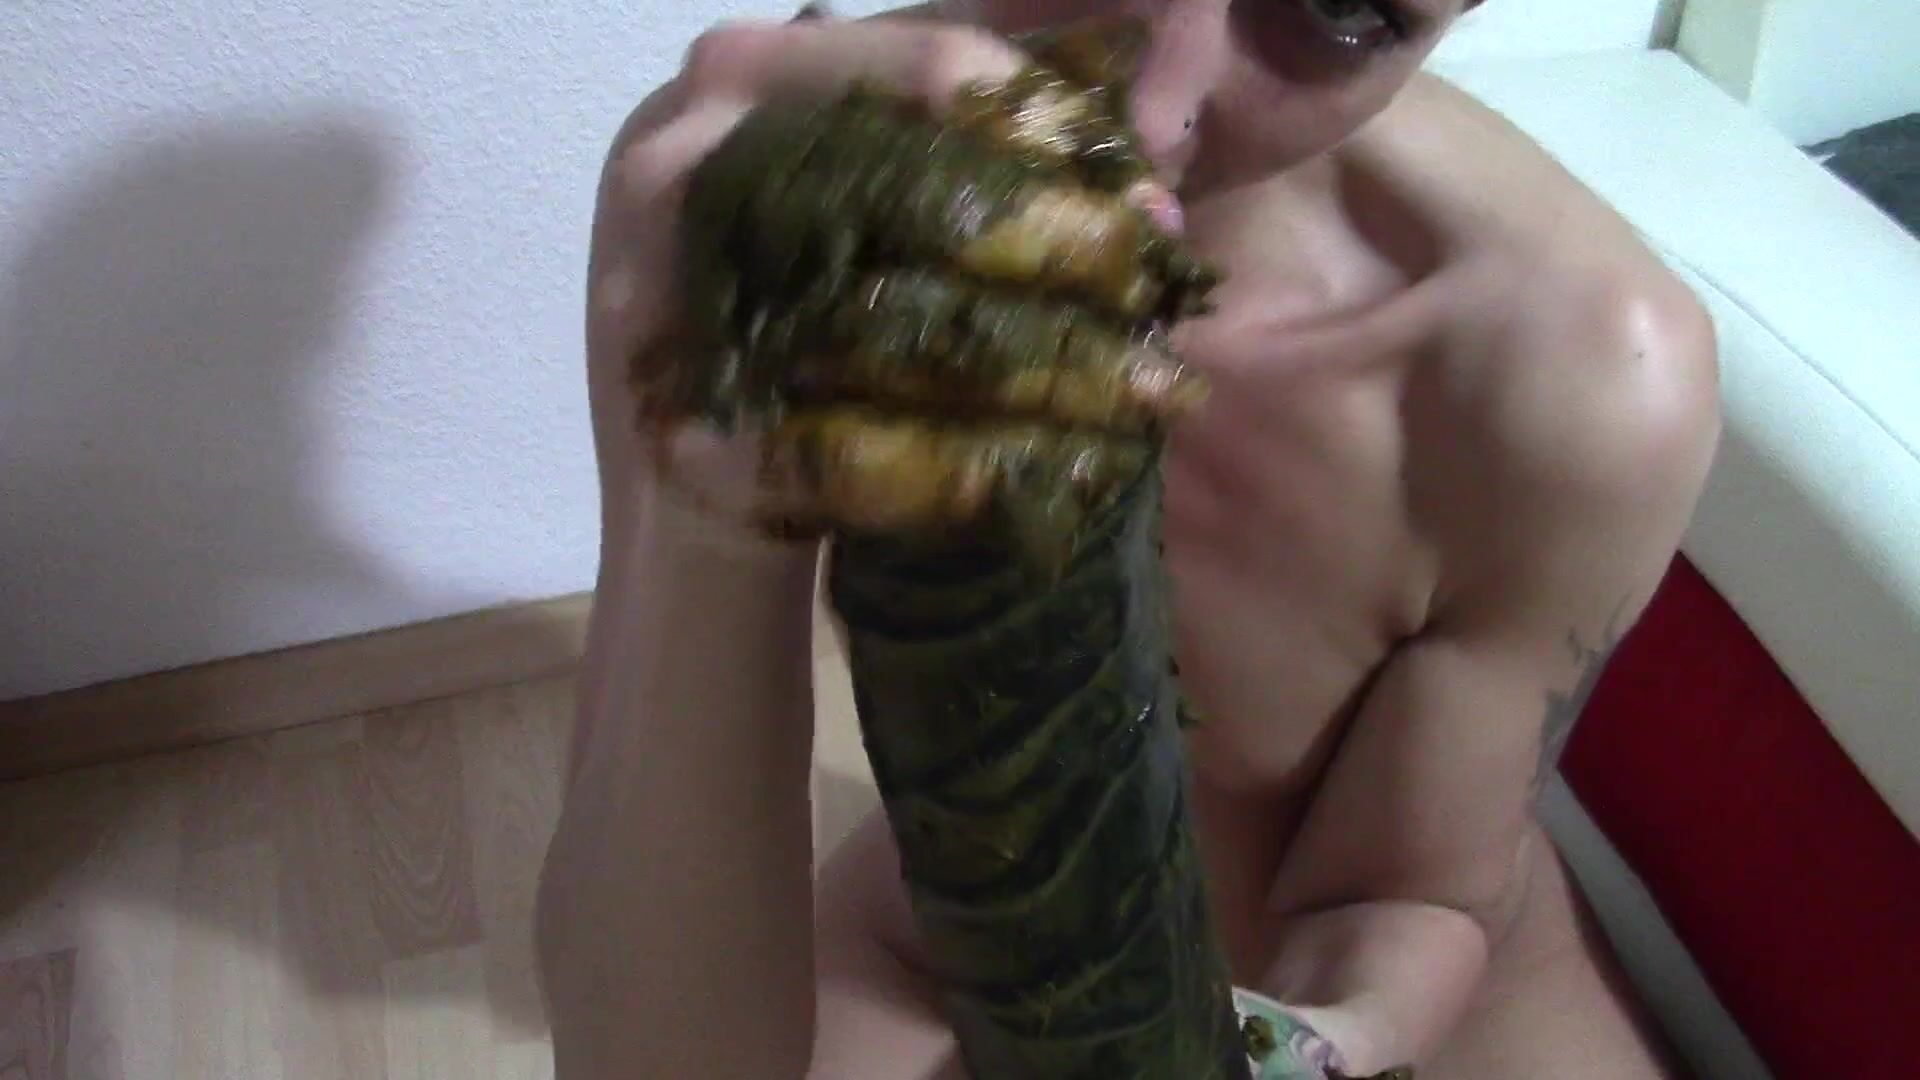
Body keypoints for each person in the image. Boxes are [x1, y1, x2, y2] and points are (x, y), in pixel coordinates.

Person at [535, 0, 1721, 1076]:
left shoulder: (1573, 367)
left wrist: (1319, 1045)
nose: (1153, 110)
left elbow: (1411, 893)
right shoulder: (765, 179)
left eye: (1341, 8)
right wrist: (704, 523)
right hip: (974, 925)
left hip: (1417, 999)